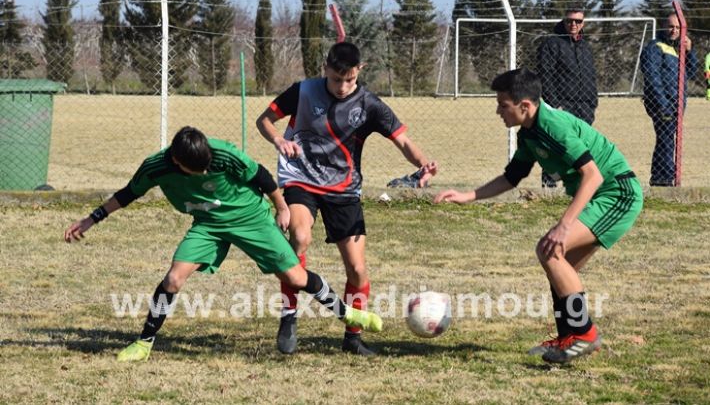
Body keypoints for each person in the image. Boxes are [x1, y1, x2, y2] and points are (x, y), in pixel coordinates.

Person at [63, 126, 383, 362]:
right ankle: (144, 343)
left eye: (206, 166)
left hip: (251, 219)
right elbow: (128, 194)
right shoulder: (156, 166)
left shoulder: (222, 153)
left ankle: (348, 315)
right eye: (195, 170)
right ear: (176, 160)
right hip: (208, 226)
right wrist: (91, 219)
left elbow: (261, 176)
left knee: (296, 278)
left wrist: (282, 207)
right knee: (174, 278)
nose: (204, 171)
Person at [434, 68, 643, 364]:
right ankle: (568, 338)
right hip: (600, 195)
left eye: (502, 105)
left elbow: (593, 176)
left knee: (549, 249)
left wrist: (564, 224)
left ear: (525, 105)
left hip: (617, 194)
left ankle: (584, 334)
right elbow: (512, 177)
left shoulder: (552, 126)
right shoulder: (530, 133)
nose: (498, 111)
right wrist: (468, 196)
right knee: (561, 266)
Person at [256, 42, 437, 356]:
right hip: (302, 179)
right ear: (325, 68)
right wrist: (279, 139)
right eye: (337, 79)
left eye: (350, 80)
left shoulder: (369, 104)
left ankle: (353, 338)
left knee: (357, 269)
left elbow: (403, 141)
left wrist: (423, 164)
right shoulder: (303, 91)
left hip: (344, 189)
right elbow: (265, 120)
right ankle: (289, 315)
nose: (342, 87)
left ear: (360, 72)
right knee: (299, 237)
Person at [537, 8, 598, 188]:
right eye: (570, 21)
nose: (573, 24)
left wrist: (592, 103)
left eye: (578, 21)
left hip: (584, 106)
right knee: (556, 147)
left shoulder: (585, 46)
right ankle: (550, 185)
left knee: (580, 149)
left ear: (583, 23)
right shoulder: (552, 44)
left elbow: (591, 76)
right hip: (562, 106)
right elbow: (544, 75)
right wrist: (555, 104)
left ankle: (576, 185)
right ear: (564, 22)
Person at [640, 14, 699, 187]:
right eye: (671, 26)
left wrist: (689, 51)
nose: (674, 30)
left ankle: (660, 176)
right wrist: (663, 104)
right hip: (661, 104)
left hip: (676, 104)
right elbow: (652, 77)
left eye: (677, 27)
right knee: (665, 138)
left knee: (666, 138)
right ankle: (664, 178)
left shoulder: (678, 48)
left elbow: (692, 72)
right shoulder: (655, 47)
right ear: (664, 26)